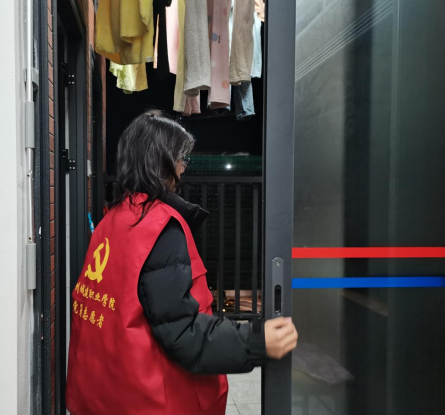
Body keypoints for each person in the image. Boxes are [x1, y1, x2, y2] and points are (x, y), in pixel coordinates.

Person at [66, 110, 298, 415]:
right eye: (180, 158)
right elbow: (181, 331)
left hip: (105, 395)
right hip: (151, 403)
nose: (183, 167)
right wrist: (257, 341)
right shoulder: (159, 227)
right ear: (160, 160)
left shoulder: (112, 220)